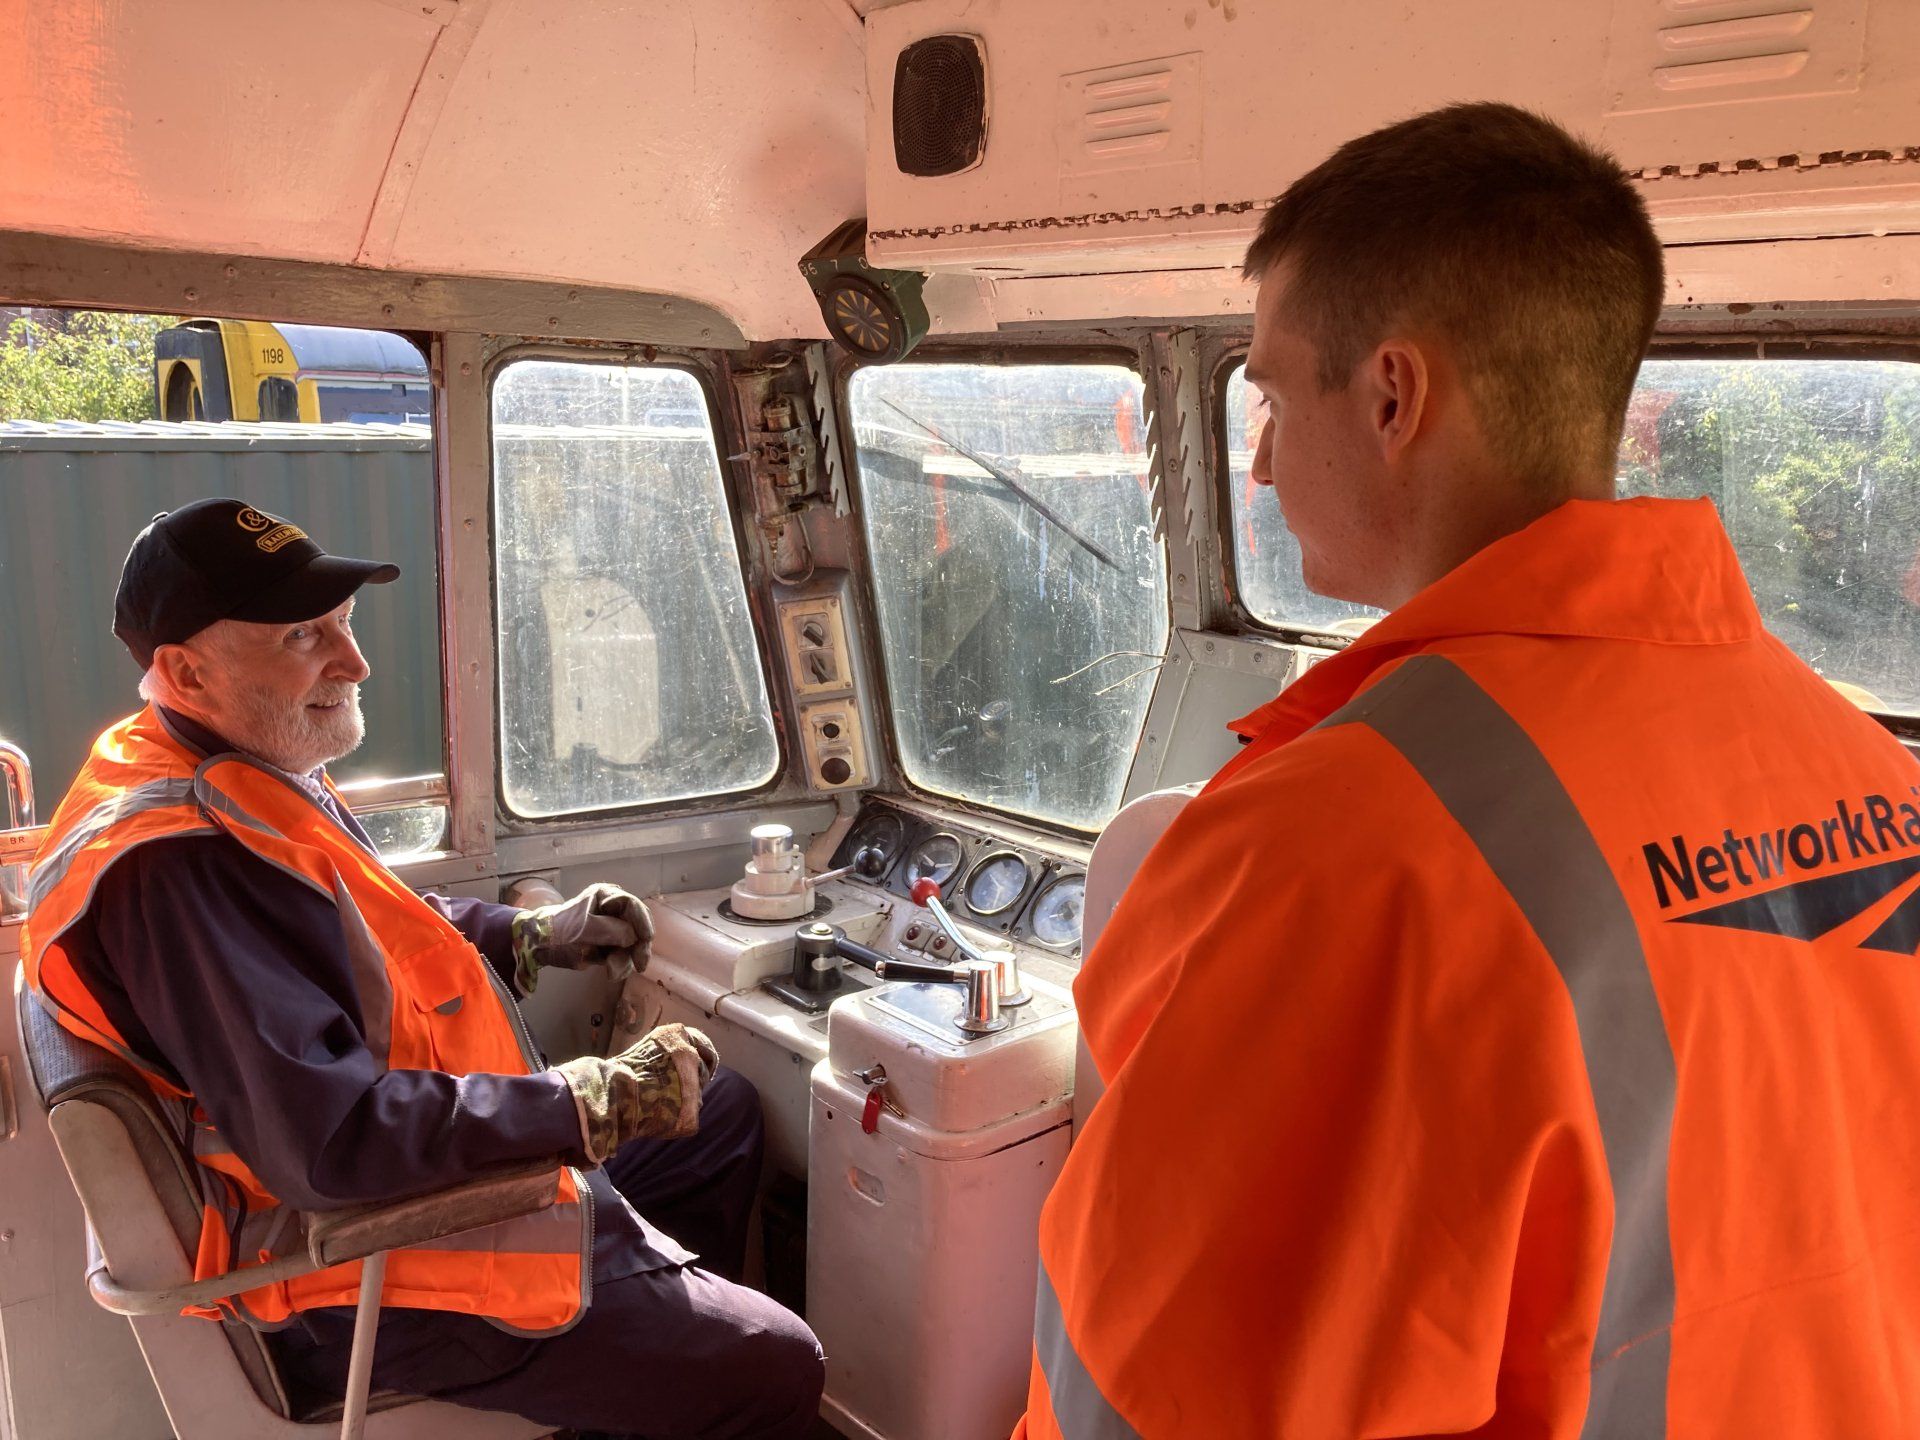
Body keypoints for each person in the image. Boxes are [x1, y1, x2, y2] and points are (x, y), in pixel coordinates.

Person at [1017, 103, 1920, 1438]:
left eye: (1270, 398)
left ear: (1394, 396)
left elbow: (1166, 1403)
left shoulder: (1340, 847)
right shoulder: (1864, 767)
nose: (1257, 464)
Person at [22, 498, 823, 1437]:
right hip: (354, 1270)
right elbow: (332, 1144)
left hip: (398, 1188)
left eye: (344, 623)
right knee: (775, 1364)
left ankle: (636, 1385)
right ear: (188, 669)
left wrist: (527, 934)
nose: (353, 662)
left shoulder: (217, 762)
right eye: (302, 636)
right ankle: (669, 1365)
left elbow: (370, 927)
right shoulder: (179, 868)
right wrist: (579, 1104)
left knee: (715, 1112)